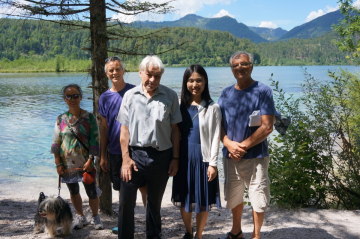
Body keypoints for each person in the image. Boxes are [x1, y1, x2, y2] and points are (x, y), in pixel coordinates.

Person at [117, 55, 182, 239]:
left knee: (154, 204)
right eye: (149, 75)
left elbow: (175, 130)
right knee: (125, 202)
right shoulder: (130, 96)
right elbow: (124, 131)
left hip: (161, 157)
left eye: (157, 76)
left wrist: (175, 159)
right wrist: (125, 159)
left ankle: (153, 236)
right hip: (134, 156)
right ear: (140, 73)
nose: (152, 80)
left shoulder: (170, 96)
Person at [218, 51, 276, 239]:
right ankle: (236, 232)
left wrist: (241, 147)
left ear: (251, 66)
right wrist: (227, 143)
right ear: (232, 69)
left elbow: (267, 126)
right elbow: (217, 124)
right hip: (230, 156)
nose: (239, 68)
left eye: (243, 64)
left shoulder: (263, 91)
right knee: (234, 196)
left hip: (256, 156)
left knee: (258, 196)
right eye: (235, 65)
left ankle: (256, 235)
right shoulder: (226, 93)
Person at [172, 64, 222, 239]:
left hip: (203, 159)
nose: (195, 84)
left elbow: (216, 137)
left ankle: (199, 235)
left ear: (205, 82)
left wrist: (213, 164)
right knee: (184, 199)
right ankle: (188, 231)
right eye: (191, 80)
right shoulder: (179, 106)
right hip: (183, 158)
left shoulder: (212, 107)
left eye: (199, 80)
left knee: (202, 201)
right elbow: (173, 132)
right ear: (185, 83)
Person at [98, 56, 147, 234]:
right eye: (111, 70)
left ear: (123, 71)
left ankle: (150, 219)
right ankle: (124, 222)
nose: (114, 73)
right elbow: (104, 128)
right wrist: (103, 155)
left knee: (143, 186)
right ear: (106, 73)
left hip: (136, 149)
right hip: (115, 152)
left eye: (117, 69)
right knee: (121, 189)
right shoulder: (104, 98)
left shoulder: (135, 91)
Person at [50, 84, 103, 230]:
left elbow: (95, 141)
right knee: (73, 191)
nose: (72, 99)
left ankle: (95, 217)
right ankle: (80, 216)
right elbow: (56, 143)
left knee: (91, 191)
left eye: (75, 96)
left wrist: (91, 160)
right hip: (67, 164)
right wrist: (58, 163)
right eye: (68, 96)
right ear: (64, 99)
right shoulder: (60, 119)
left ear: (80, 97)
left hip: (86, 163)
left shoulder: (89, 117)